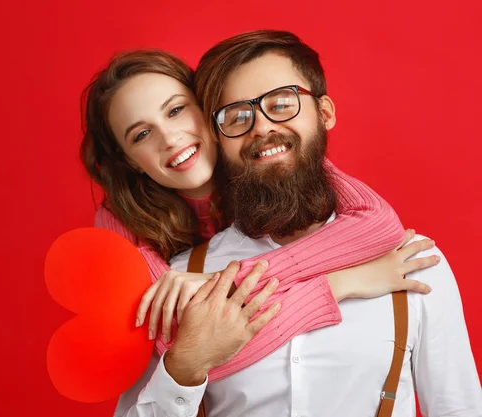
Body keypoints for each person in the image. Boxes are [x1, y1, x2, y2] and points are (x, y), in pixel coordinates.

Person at [114, 30, 482, 416]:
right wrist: (184, 370)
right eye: (237, 116)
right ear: (217, 139)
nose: (261, 127)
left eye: (282, 103)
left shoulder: (415, 264)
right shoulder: (179, 281)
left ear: (325, 113)